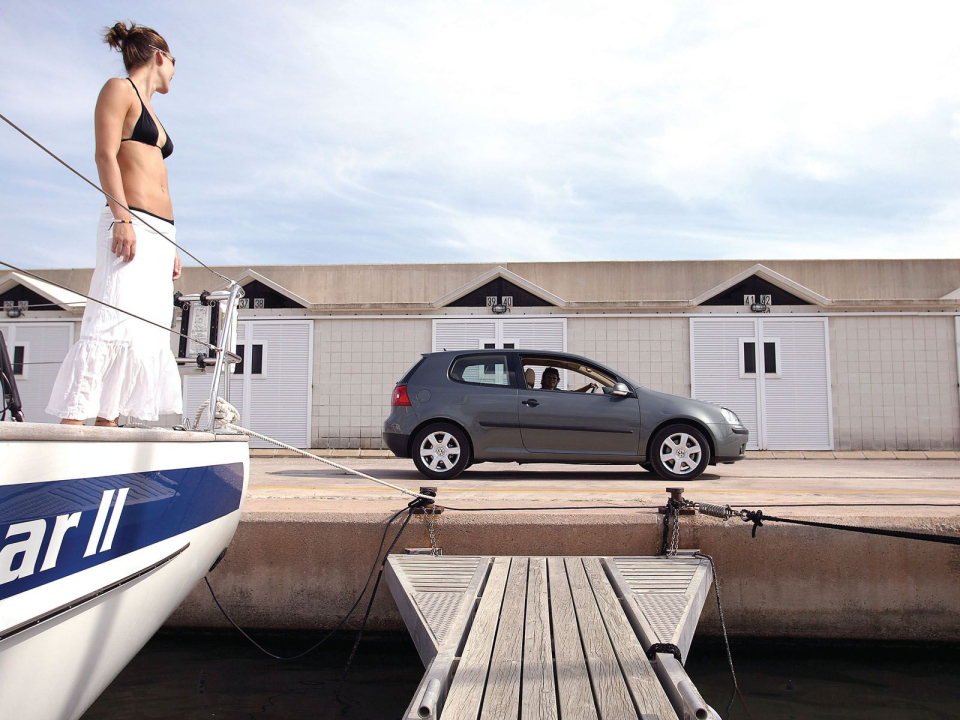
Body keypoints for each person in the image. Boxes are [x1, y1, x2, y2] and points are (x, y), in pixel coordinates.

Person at [47, 22, 182, 426]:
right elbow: (105, 155)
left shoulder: (153, 110)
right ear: (160, 56)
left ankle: (109, 429)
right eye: (174, 62)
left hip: (160, 233)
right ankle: (72, 426)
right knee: (109, 324)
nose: (175, 71)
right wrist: (122, 217)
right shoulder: (118, 89)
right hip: (129, 219)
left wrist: (171, 244)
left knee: (143, 334)